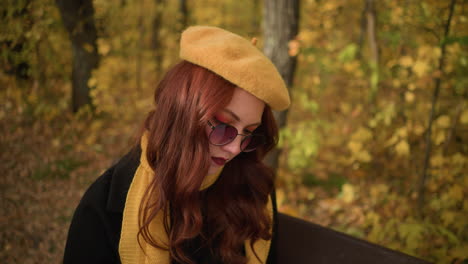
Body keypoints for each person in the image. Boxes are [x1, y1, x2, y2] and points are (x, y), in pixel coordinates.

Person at [63, 25, 290, 264]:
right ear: (183, 112)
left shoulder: (252, 188)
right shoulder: (105, 207)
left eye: (249, 134)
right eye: (223, 127)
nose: (235, 148)